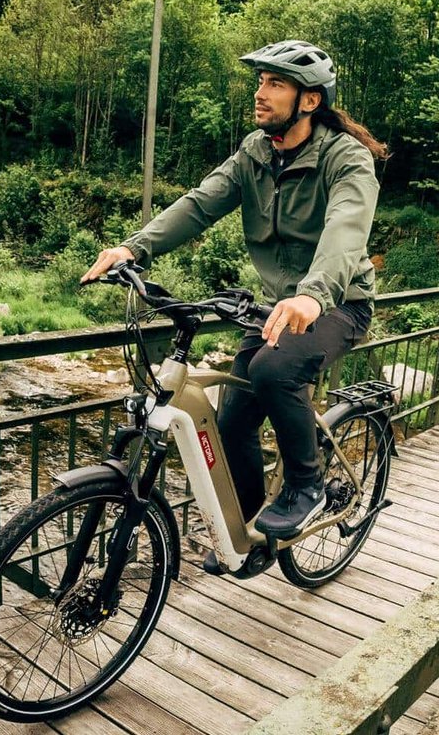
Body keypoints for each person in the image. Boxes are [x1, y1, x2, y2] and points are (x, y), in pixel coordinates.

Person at [82, 40, 386, 542]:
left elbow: (345, 227)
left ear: (309, 100)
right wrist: (133, 249)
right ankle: (242, 530)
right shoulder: (256, 151)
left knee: (273, 369)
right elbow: (201, 203)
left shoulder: (346, 158)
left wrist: (312, 295)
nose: (260, 94)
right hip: (278, 305)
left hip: (338, 302)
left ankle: (306, 487)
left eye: (276, 84)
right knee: (232, 422)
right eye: (260, 82)